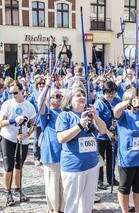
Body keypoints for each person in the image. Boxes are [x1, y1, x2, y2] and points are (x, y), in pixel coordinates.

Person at [55, 85, 107, 213]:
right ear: (70, 100)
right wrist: (80, 125)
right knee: (72, 205)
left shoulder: (90, 115)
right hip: (74, 167)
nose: (82, 97)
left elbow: (103, 130)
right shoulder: (65, 116)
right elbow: (61, 138)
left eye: (84, 95)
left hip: (92, 165)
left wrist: (96, 116)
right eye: (78, 95)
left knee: (87, 205)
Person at [0, 80, 36, 206]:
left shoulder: (29, 106)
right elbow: (1, 123)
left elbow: (33, 124)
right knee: (8, 166)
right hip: (8, 138)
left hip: (22, 139)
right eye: (10, 93)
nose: (13, 95)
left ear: (22, 91)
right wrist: (14, 120)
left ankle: (18, 190)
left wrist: (26, 134)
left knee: (18, 166)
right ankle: (7, 192)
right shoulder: (7, 104)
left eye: (15, 92)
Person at [38, 79, 65, 213]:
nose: (59, 98)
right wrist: (47, 86)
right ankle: (54, 209)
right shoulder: (47, 112)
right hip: (51, 152)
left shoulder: (65, 112)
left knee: (63, 185)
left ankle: (62, 209)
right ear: (50, 99)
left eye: (60, 95)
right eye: (56, 96)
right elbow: (40, 102)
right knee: (52, 185)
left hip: (65, 153)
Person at [94, 80, 120, 190]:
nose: (111, 95)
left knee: (111, 158)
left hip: (113, 135)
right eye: (108, 92)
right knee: (100, 159)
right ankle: (99, 180)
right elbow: (97, 121)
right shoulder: (99, 103)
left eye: (113, 92)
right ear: (104, 92)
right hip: (101, 136)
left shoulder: (116, 101)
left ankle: (111, 178)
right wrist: (106, 132)